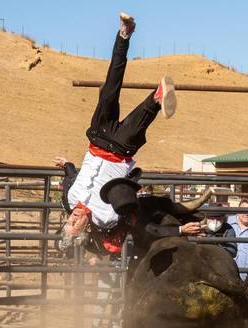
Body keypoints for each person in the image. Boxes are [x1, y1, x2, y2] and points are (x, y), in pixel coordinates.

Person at [54, 13, 200, 254]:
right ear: (86, 229)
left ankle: (124, 34)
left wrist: (66, 164)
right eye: (75, 224)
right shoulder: (107, 217)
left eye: (69, 221)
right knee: (142, 117)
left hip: (99, 137)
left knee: (110, 87)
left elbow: (72, 176)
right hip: (120, 152)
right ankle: (158, 96)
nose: (73, 218)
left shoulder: (69, 200)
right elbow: (137, 220)